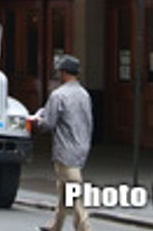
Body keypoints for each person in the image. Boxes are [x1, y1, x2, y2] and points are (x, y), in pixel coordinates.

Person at [28, 55, 93, 231]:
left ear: (63, 73)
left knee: (73, 193)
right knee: (64, 189)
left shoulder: (58, 95)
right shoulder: (84, 94)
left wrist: (36, 121)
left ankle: (85, 227)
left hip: (65, 149)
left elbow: (48, 123)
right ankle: (55, 226)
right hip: (81, 146)